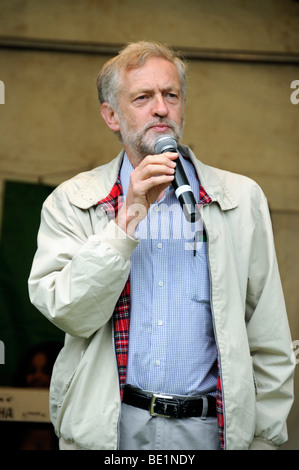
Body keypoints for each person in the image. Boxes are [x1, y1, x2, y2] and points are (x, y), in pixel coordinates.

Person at [28, 41, 295, 451]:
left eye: (171, 95)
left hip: (209, 430)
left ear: (183, 106)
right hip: (112, 431)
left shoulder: (240, 198)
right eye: (143, 97)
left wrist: (264, 440)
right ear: (112, 116)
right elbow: (70, 312)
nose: (160, 108)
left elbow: (269, 338)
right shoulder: (72, 200)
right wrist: (128, 215)